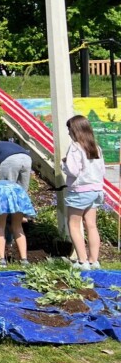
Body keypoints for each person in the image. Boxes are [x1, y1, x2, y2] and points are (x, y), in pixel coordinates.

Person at [63, 115, 106, 270]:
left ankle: (82, 261)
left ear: (75, 130)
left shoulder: (75, 147)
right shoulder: (97, 148)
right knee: (92, 225)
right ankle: (94, 261)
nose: (68, 132)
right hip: (96, 190)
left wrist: (64, 163)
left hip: (80, 191)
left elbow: (73, 171)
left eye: (69, 129)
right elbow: (102, 170)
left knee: (73, 225)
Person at [0, 178, 35, 266]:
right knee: (18, 227)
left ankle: (1, 260)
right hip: (19, 191)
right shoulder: (12, 184)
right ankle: (24, 260)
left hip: (1, 192)